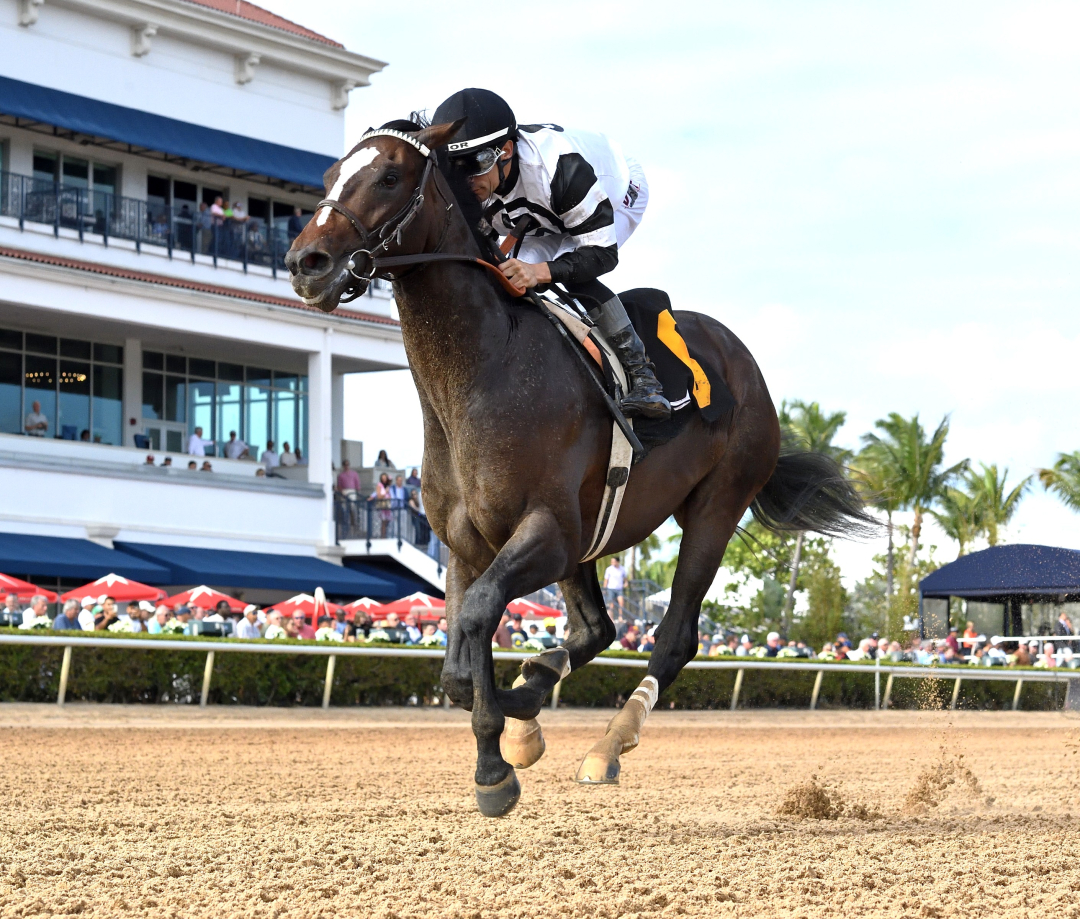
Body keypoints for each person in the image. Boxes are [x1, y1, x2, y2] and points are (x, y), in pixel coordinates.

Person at [433, 88, 670, 419]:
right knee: (506, 280)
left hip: (615, 192)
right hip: (541, 213)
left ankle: (644, 377)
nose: (467, 179)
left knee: (571, 274)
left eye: (477, 164)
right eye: (456, 167)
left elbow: (601, 255)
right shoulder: (476, 180)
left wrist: (540, 272)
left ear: (506, 151)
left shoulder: (560, 168)